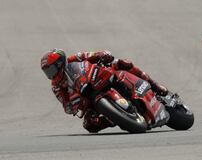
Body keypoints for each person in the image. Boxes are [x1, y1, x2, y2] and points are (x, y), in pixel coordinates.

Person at [40, 49, 168, 133]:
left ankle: (155, 86)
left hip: (98, 77)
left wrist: (103, 54)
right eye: (47, 72)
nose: (50, 75)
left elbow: (92, 55)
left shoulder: (74, 59)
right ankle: (115, 118)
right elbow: (66, 107)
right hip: (88, 100)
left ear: (59, 64)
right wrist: (74, 103)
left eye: (50, 70)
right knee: (90, 125)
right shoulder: (56, 86)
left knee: (124, 63)